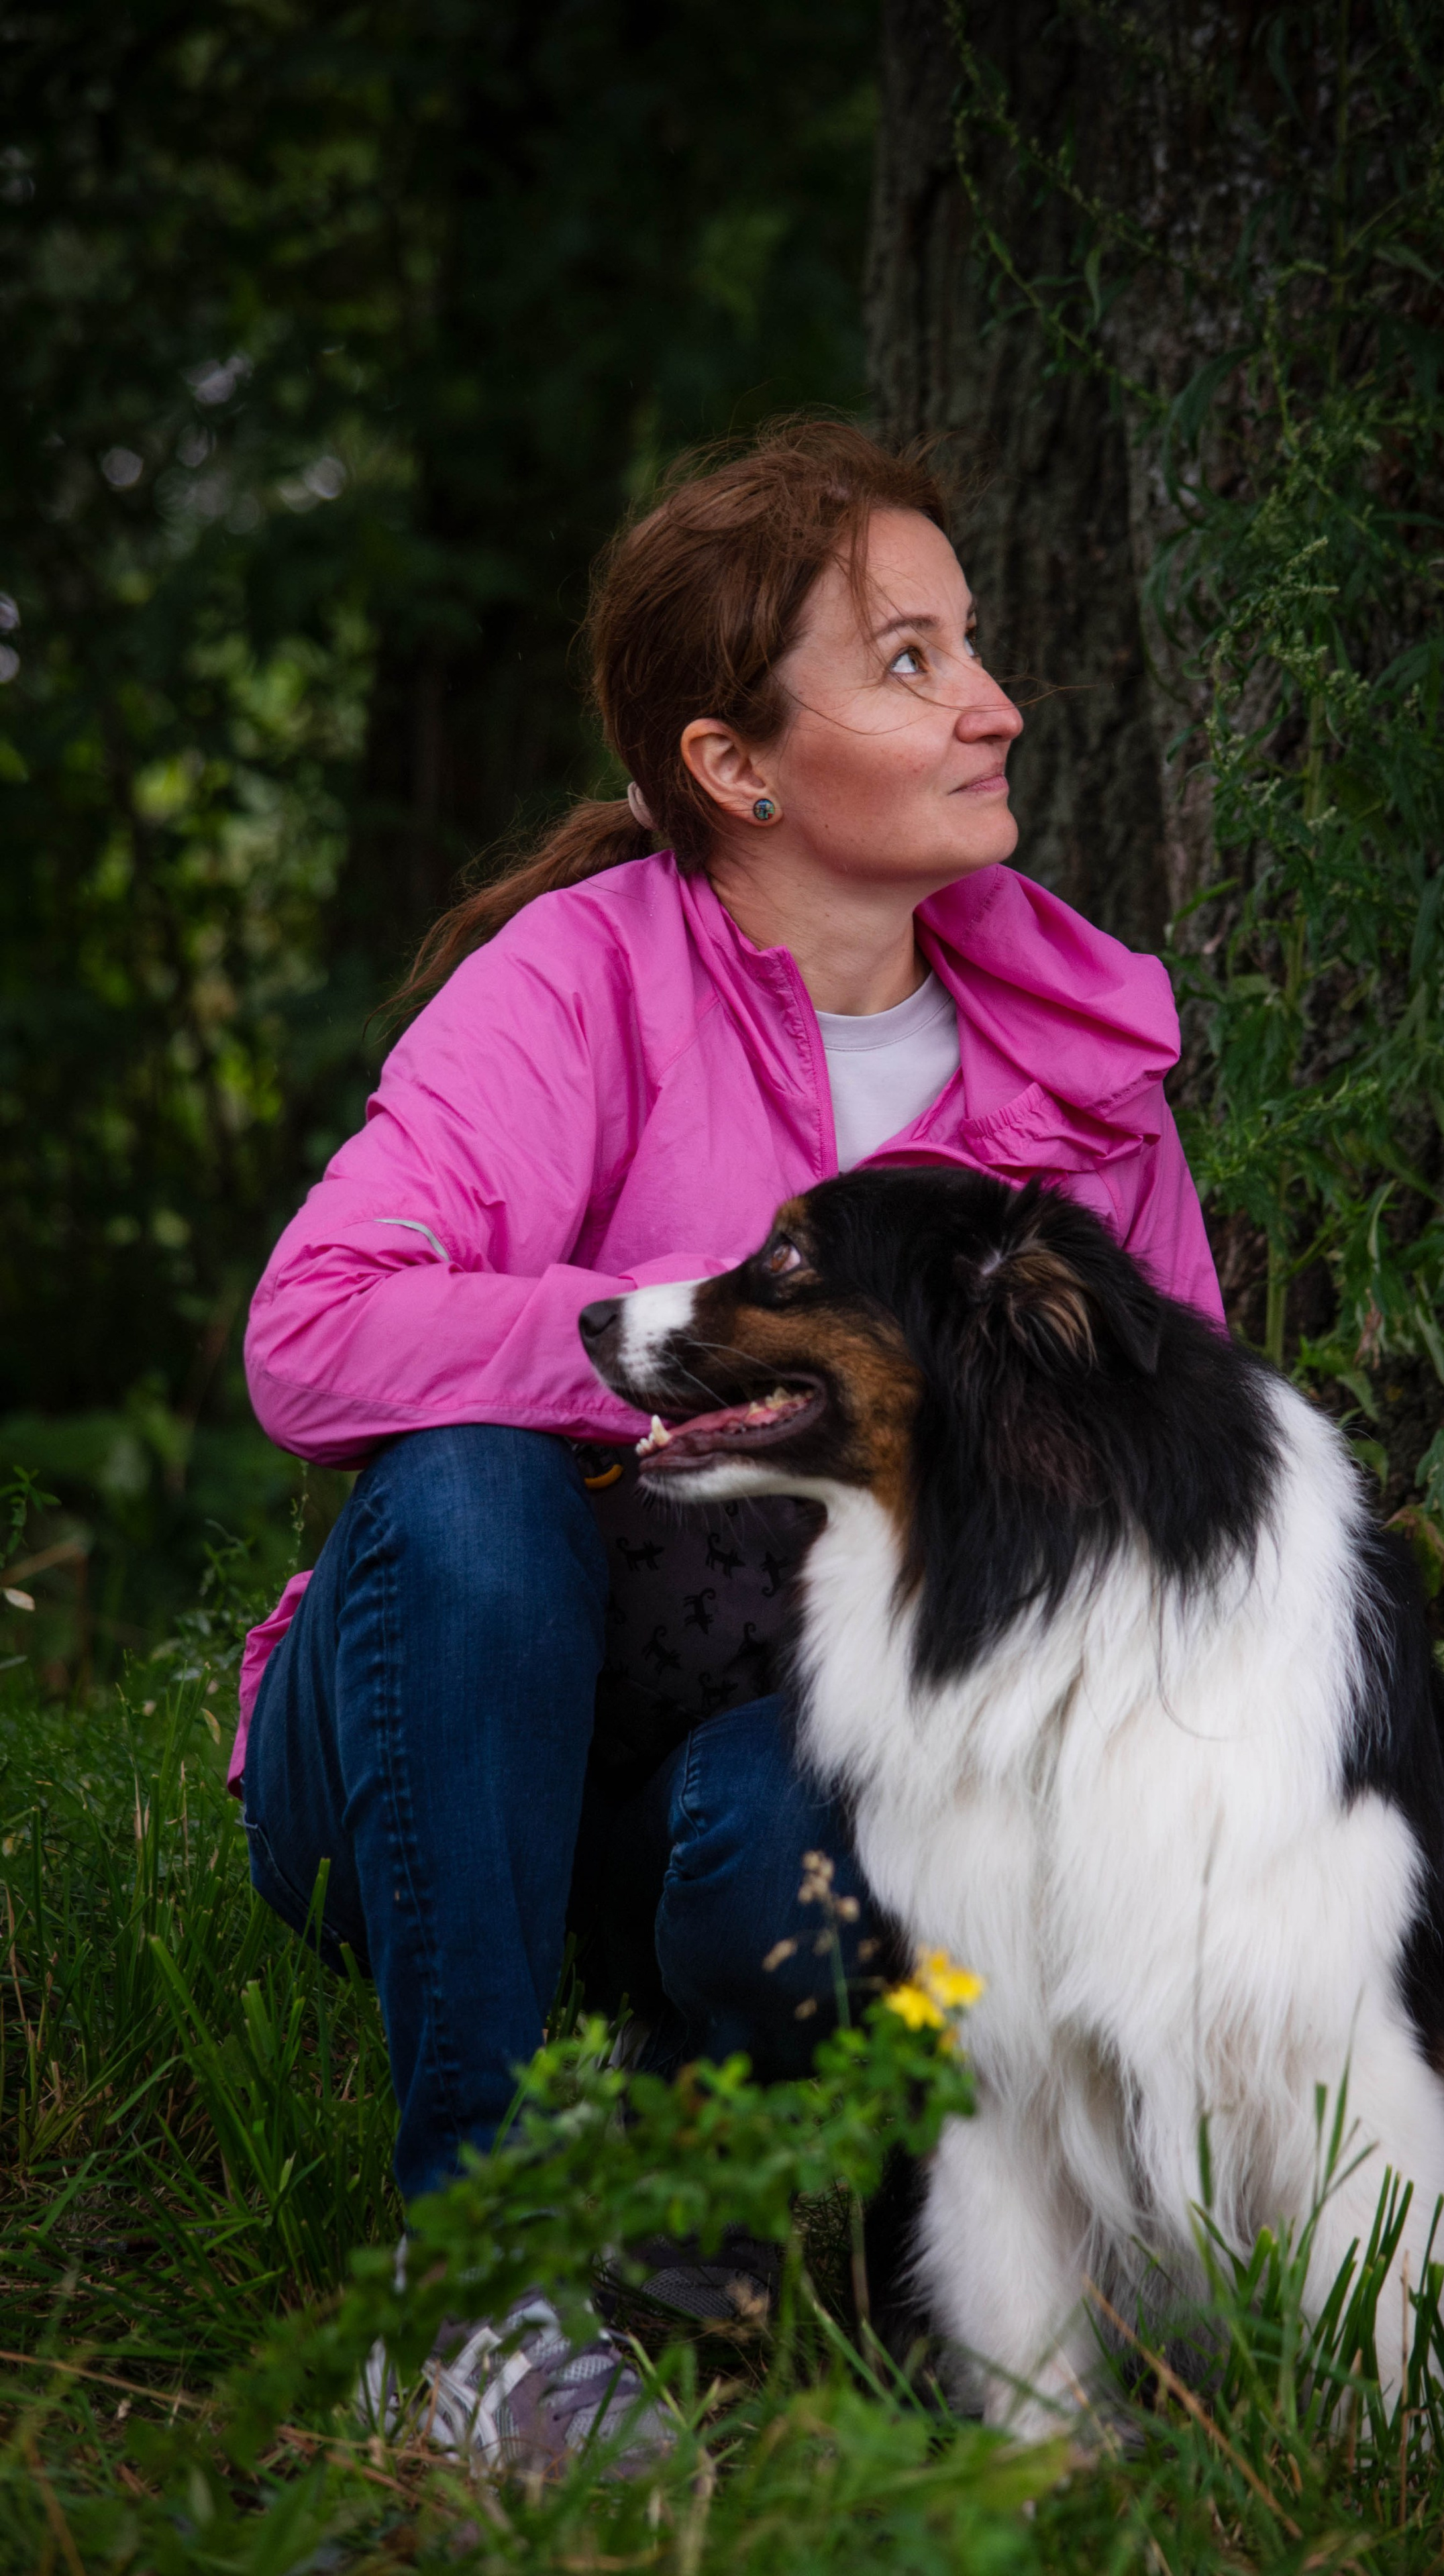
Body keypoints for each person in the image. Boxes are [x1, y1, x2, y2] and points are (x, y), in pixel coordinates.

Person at [234, 419, 1224, 2466]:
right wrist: (682, 1354)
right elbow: (312, 1336)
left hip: (783, 1771)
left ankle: (742, 2221)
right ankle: (470, 2291)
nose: (995, 706)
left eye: (971, 646)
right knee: (467, 1479)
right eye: (911, 660)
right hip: (444, 1743)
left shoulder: (1072, 1060)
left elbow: (1169, 1506)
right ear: (736, 767)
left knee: (828, 1806)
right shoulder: (577, 985)